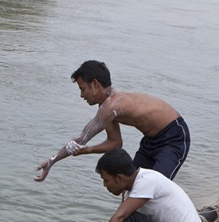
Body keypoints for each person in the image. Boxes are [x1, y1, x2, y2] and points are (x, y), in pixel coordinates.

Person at [34, 60, 190, 182]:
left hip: (173, 136)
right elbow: (115, 142)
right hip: (150, 142)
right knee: (131, 185)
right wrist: (86, 150)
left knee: (157, 187)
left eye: (82, 89)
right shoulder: (107, 107)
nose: (82, 95)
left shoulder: (112, 107)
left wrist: (52, 161)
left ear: (95, 84)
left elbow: (82, 139)